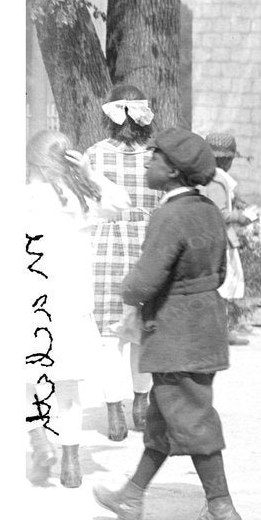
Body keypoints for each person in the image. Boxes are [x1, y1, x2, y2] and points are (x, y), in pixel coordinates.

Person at [92, 129, 244, 520]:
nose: (147, 162)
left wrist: (125, 290)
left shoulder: (168, 215)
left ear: (173, 170)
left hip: (178, 333)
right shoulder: (209, 209)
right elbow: (219, 273)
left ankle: (221, 510)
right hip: (203, 326)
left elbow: (143, 283)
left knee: (192, 419)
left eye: (154, 157)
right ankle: (132, 497)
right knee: (164, 419)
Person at [25, 130, 130, 489]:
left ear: (33, 162)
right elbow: (122, 202)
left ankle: (38, 437)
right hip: (73, 305)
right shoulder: (81, 200)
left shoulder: (25, 199)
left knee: (26, 378)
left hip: (32, 303)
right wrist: (89, 172)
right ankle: (71, 460)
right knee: (68, 387)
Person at [85, 82, 160, 441]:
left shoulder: (94, 156)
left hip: (106, 247)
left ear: (111, 117)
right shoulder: (156, 157)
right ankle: (141, 405)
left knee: (109, 337)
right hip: (148, 248)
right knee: (142, 330)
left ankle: (113, 412)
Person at [201, 133, 259, 346]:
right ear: (227, 160)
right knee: (224, 286)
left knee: (220, 287)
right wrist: (240, 217)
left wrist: (238, 202)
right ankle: (221, 332)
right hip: (220, 241)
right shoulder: (218, 178)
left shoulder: (209, 176)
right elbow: (220, 212)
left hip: (214, 239)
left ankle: (218, 330)